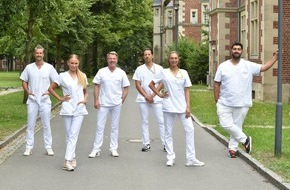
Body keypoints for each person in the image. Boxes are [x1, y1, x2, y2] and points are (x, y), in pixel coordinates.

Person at [214, 42, 279, 158]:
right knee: (225, 124)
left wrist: (275, 58)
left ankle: (232, 149)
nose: (236, 51)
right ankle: (245, 140)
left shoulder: (248, 65)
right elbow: (216, 83)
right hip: (224, 102)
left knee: (237, 126)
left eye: (239, 49)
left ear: (242, 51)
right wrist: (217, 100)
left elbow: (264, 68)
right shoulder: (223, 66)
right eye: (234, 49)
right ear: (231, 51)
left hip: (242, 102)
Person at [149, 51, 204, 167]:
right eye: (171, 58)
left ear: (178, 59)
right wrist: (159, 95)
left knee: (190, 129)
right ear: (169, 60)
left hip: (182, 106)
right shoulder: (163, 72)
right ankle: (170, 157)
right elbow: (151, 84)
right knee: (168, 132)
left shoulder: (184, 73)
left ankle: (191, 158)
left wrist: (188, 106)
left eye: (175, 58)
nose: (174, 60)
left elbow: (187, 90)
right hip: (168, 106)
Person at [48, 54, 88, 171]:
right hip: (67, 108)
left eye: (76, 63)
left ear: (78, 63)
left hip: (79, 108)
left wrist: (85, 100)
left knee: (74, 134)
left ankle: (67, 161)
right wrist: (60, 98)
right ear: (68, 63)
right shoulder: (62, 76)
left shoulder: (83, 76)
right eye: (72, 63)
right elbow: (50, 88)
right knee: (69, 135)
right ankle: (73, 158)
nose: (74, 65)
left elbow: (85, 91)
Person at [89, 51, 130, 158]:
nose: (112, 60)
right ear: (107, 60)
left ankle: (113, 148)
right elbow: (96, 86)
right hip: (103, 103)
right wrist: (96, 100)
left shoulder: (121, 73)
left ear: (117, 60)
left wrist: (122, 100)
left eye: (114, 59)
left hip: (116, 104)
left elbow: (126, 88)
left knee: (114, 127)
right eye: (110, 58)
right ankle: (96, 149)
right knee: (99, 126)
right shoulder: (102, 72)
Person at [20, 45, 58, 156]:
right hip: (32, 100)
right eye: (37, 53)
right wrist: (27, 91)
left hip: (45, 100)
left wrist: (49, 90)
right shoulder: (29, 67)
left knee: (46, 125)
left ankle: (48, 147)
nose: (39, 55)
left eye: (40, 53)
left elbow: (56, 80)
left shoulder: (49, 67)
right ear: (34, 54)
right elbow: (23, 80)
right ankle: (28, 147)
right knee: (30, 125)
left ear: (43, 54)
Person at [132, 48, 165, 152]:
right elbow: (137, 84)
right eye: (145, 54)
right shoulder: (139, 69)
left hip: (156, 99)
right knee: (144, 121)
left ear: (152, 55)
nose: (147, 56)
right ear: (143, 56)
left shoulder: (159, 68)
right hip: (143, 99)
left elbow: (162, 82)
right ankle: (146, 143)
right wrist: (146, 96)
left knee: (161, 121)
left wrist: (153, 95)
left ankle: (165, 144)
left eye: (149, 54)